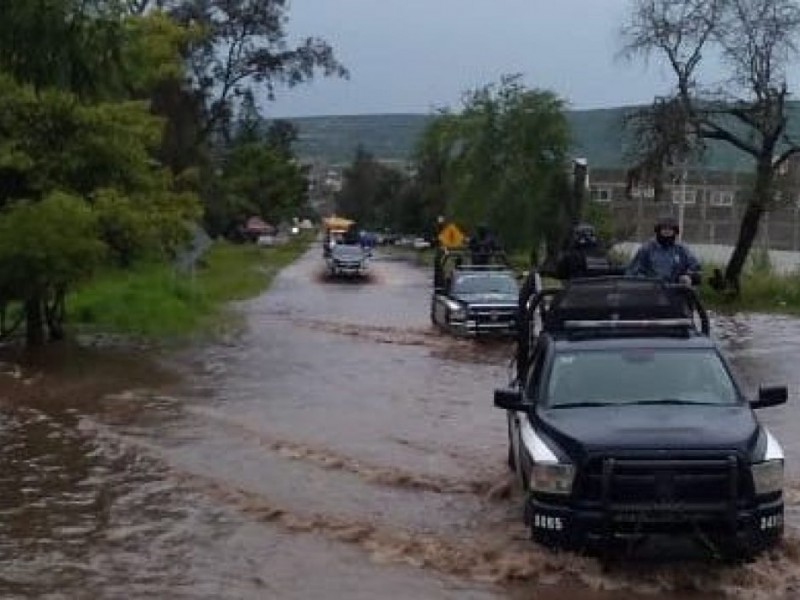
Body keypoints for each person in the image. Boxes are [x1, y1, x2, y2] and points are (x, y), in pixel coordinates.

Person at [626, 216, 701, 285]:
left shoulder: (682, 249)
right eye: (664, 228)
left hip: (675, 291)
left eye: (670, 228)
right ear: (658, 230)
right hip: (651, 291)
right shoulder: (647, 248)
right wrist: (646, 281)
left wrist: (689, 277)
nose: (667, 231)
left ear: (675, 231)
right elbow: (634, 271)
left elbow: (695, 268)